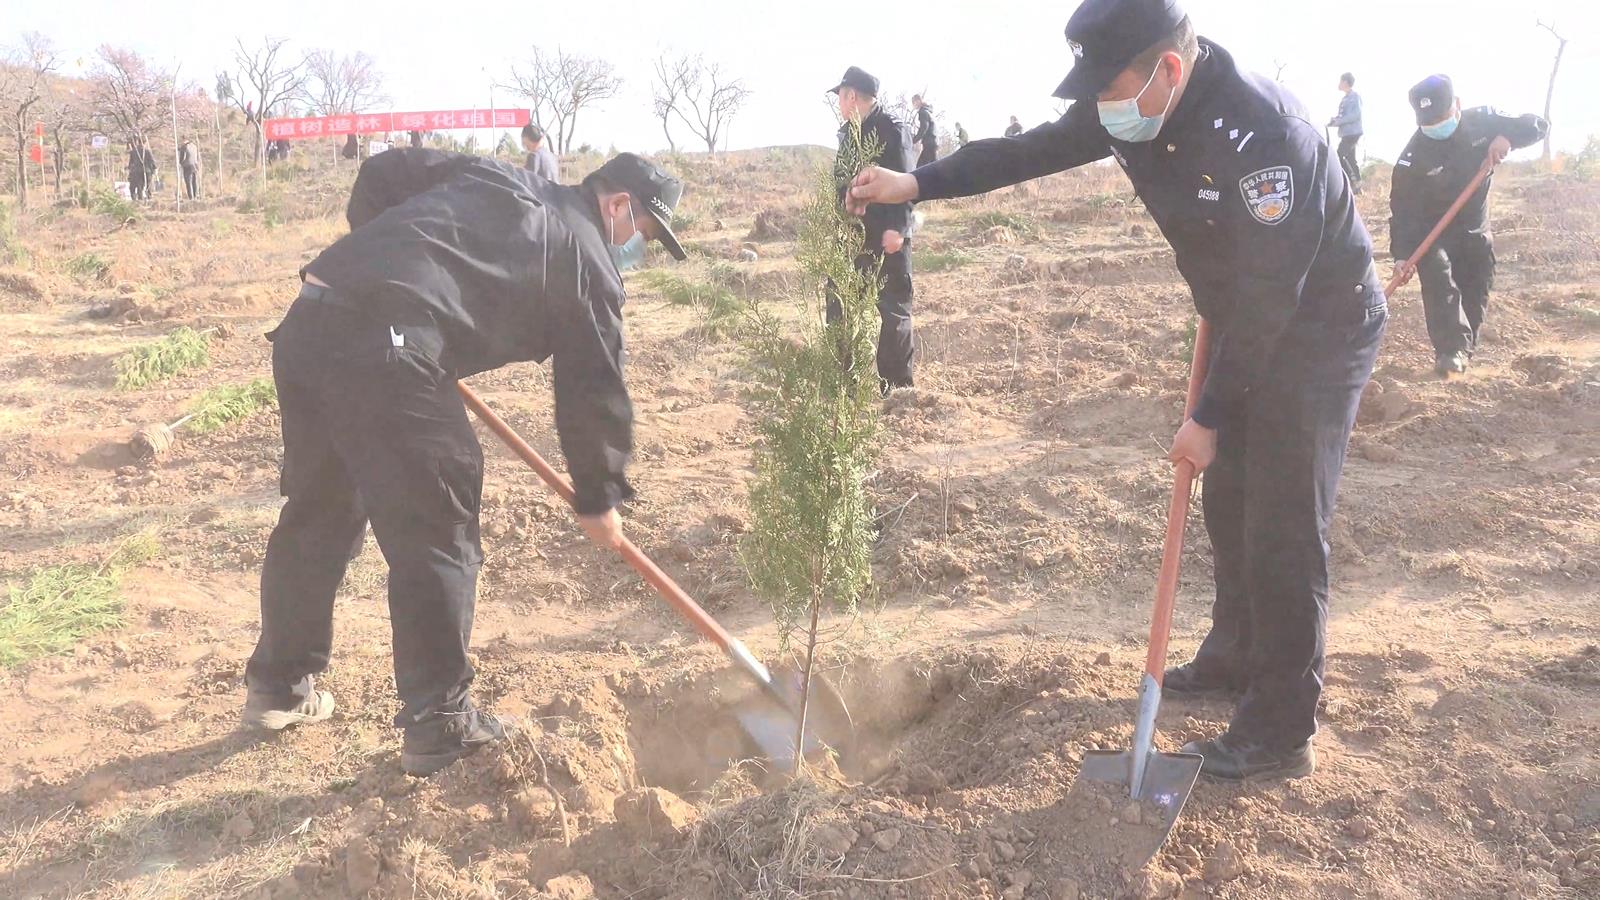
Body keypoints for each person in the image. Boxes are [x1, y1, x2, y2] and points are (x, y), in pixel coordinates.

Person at [850, 0, 1386, 781]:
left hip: (1317, 326)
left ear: (1168, 68)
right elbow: (1025, 152)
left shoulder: (1265, 138)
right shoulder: (1131, 103)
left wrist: (1206, 416)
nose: (1100, 107)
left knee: (1283, 519)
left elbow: (1273, 301)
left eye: (1110, 88)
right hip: (1242, 316)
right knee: (1228, 499)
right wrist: (915, 180)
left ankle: (1280, 730)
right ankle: (1236, 655)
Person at [242, 149, 688, 777]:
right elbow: (594, 386)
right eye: (641, 233)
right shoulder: (586, 254)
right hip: (386, 345)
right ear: (619, 204)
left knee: (320, 509)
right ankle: (441, 724)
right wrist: (599, 493)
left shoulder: (498, 177)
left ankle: (279, 689)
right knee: (438, 522)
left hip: (311, 323)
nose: (635, 247)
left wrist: (388, 270)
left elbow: (381, 175)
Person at [1390, 75, 1547, 377]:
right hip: (1431, 233)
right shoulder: (1410, 159)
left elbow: (1536, 125)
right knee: (1438, 280)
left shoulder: (1485, 120)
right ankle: (1449, 353)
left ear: (1457, 105)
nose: (1436, 126)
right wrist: (1401, 255)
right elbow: (1403, 213)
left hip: (1475, 229)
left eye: (1442, 118)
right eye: (1428, 123)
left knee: (1476, 287)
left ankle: (1463, 351)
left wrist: (1508, 138)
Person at [829, 66, 916, 393]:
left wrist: (900, 229)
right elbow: (840, 185)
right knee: (838, 304)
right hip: (852, 239)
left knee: (893, 310)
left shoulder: (891, 129)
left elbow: (908, 182)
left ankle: (897, 392)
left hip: (886, 237)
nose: (838, 101)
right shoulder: (847, 134)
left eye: (840, 94)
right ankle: (842, 389)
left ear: (851, 95)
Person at [1328, 72, 1362, 192]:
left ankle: (1350, 184)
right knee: (1351, 159)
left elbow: (1355, 115)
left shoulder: (1354, 96)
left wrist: (1339, 121)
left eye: (1341, 81)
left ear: (1346, 82)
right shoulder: (1345, 98)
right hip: (1347, 133)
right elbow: (1344, 116)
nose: (1339, 84)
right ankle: (1357, 186)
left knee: (1339, 156)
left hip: (1353, 132)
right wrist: (1334, 121)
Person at [912, 94, 938, 166]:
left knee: (920, 167)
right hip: (934, 142)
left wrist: (914, 140)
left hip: (929, 143)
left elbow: (923, 128)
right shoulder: (929, 111)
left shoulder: (923, 112)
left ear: (918, 101)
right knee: (934, 166)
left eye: (913, 103)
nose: (913, 105)